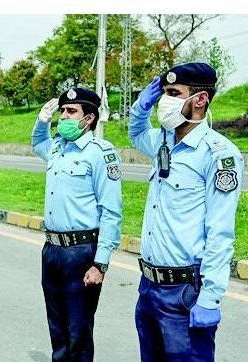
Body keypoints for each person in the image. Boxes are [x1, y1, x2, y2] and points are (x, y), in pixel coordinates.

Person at [129, 62, 244, 362]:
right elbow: (136, 133)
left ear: (200, 99)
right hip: (149, 287)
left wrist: (210, 297)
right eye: (163, 93)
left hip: (185, 294)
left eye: (172, 93)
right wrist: (140, 108)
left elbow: (220, 233)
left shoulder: (218, 154)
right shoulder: (161, 141)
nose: (164, 101)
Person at [32, 88, 123, 362]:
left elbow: (111, 212)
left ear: (89, 118)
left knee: (79, 330)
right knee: (57, 327)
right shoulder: (58, 147)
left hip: (81, 252)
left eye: (71, 111)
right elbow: (38, 143)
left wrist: (101, 263)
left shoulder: (100, 153)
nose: (64, 117)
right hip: (52, 250)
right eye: (62, 111)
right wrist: (41, 121)